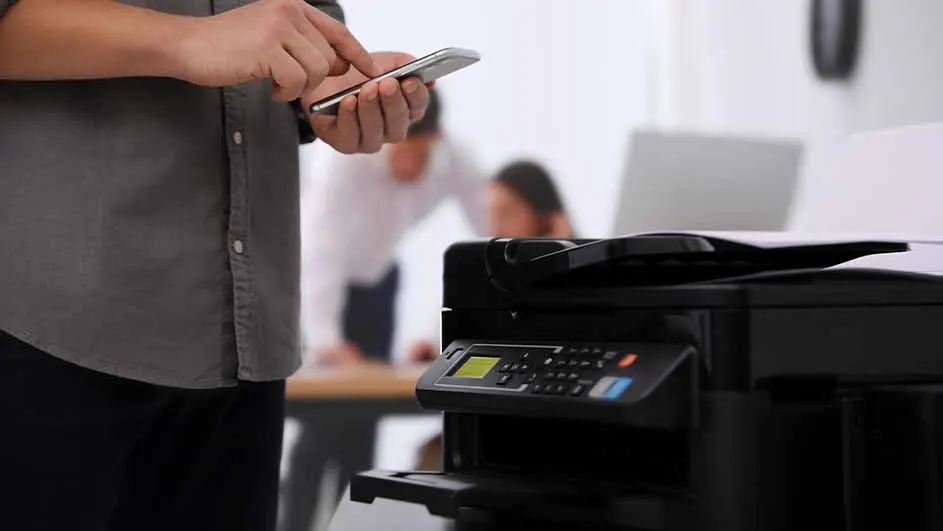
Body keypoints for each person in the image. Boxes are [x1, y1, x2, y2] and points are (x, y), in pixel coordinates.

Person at [0, 1, 431, 530]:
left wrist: (325, 88)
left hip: (246, 338)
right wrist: (186, 40)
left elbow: (306, 15)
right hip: (52, 332)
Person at [283, 88, 487, 531]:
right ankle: (295, 525)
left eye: (420, 155)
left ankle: (348, 525)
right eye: (402, 153)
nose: (410, 168)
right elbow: (321, 254)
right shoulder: (346, 162)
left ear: (436, 140)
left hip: (379, 284)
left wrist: (442, 340)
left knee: (364, 428)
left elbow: (489, 237)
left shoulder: (454, 159)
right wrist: (328, 342)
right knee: (322, 429)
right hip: (321, 290)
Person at [413, 160, 574, 470]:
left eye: (508, 212)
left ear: (546, 218)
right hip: (490, 422)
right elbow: (451, 334)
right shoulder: (486, 275)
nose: (496, 225)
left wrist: (561, 259)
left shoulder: (581, 278)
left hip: (548, 430)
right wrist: (433, 348)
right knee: (431, 458)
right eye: (492, 212)